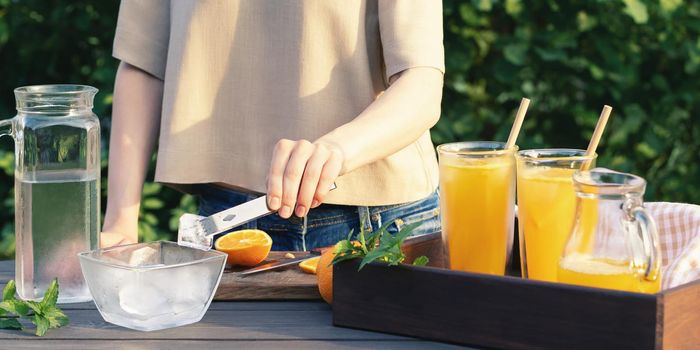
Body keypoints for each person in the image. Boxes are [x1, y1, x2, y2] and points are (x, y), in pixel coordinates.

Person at [101, 0, 445, 251]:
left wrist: (337, 150)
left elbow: (421, 82)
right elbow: (143, 63)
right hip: (224, 224)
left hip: (376, 225)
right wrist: (119, 222)